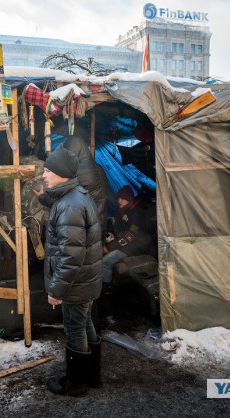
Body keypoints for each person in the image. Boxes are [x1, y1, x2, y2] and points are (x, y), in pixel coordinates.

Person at [42, 146, 103, 397]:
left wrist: (56, 289)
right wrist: (44, 198)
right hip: (85, 280)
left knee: (75, 327)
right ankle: (92, 376)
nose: (44, 174)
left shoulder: (69, 206)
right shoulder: (77, 195)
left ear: (61, 173)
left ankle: (76, 383)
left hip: (74, 282)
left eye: (48, 170)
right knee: (84, 322)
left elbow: (71, 255)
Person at [34, 135, 109, 235]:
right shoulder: (99, 168)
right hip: (100, 224)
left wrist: (42, 197)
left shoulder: (77, 174)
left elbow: (63, 203)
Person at [102, 185, 151, 285]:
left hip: (134, 247)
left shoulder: (136, 214)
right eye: (118, 198)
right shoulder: (120, 211)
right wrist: (105, 241)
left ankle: (107, 290)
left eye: (122, 198)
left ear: (128, 199)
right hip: (122, 244)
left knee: (105, 262)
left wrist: (110, 247)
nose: (119, 200)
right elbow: (115, 229)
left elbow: (130, 236)